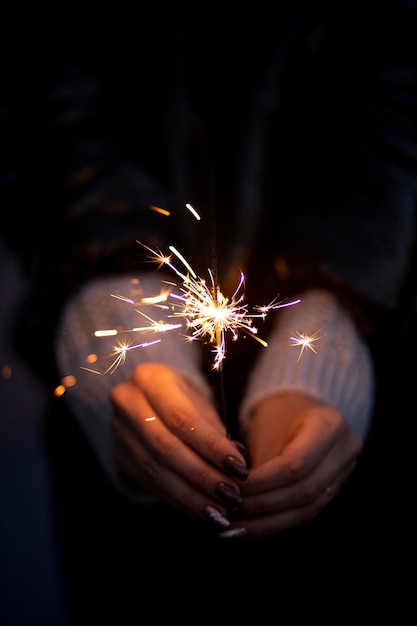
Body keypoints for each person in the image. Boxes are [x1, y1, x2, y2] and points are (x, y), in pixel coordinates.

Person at [1, 2, 416, 622]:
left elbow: (398, 99)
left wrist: (328, 333)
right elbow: (34, 90)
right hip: (118, 486)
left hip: (378, 434)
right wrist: (115, 310)